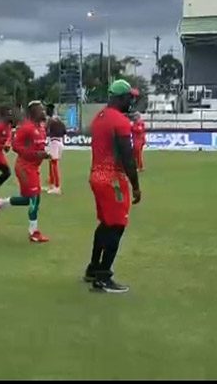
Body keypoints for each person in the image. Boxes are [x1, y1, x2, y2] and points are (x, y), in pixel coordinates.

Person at [84, 79, 142, 293]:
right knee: (117, 226)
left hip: (96, 175)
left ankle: (93, 268)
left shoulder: (99, 117)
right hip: (112, 179)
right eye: (129, 97)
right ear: (120, 98)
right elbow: (127, 157)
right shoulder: (120, 121)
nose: (131, 101)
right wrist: (135, 186)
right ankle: (103, 277)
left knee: (106, 224)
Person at [0, 100, 50, 243]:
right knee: (33, 198)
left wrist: (44, 154)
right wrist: (34, 154)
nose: (44, 112)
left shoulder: (41, 128)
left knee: (31, 199)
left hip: (33, 167)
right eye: (41, 110)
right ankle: (34, 232)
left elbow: (37, 147)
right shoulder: (26, 128)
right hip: (24, 167)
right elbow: (15, 146)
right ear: (33, 112)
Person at [45, 103, 67, 195]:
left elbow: (46, 131)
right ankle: (52, 184)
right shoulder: (59, 120)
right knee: (51, 162)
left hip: (54, 142)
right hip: (60, 142)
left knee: (54, 164)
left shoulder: (50, 120)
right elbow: (64, 132)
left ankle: (57, 187)